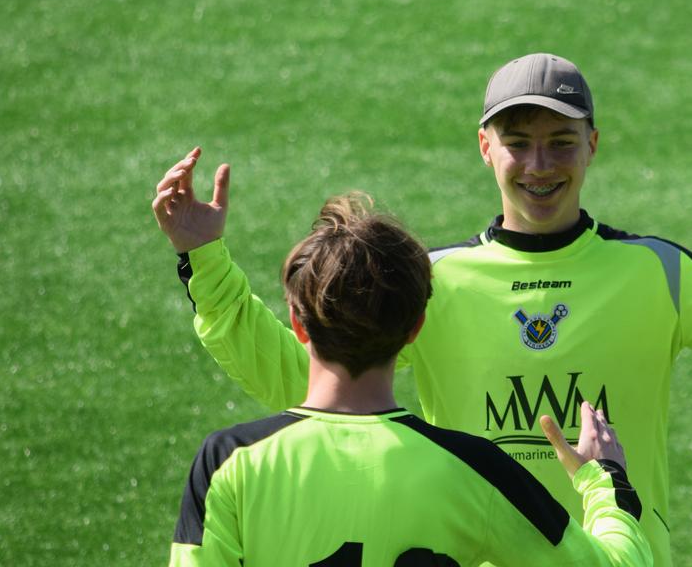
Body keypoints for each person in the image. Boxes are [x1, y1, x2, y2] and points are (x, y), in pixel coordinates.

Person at [153, 53, 692, 567]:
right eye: (518, 143)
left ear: (592, 145)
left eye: (561, 143)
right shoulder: (433, 280)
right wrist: (206, 262)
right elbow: (301, 376)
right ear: (484, 147)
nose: (540, 166)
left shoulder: (656, 272)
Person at [159, 192, 651, 566]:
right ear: (416, 328)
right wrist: (604, 479)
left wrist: (202, 256)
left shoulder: (228, 463)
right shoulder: (475, 470)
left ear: (298, 324)